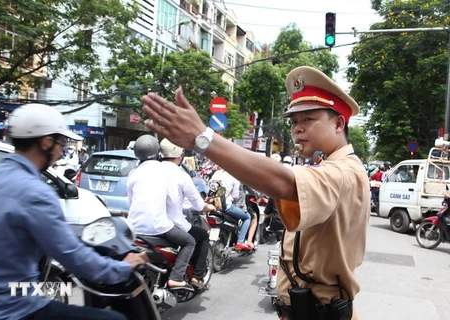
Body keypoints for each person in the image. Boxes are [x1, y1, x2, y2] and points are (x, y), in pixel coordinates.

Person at [140, 65, 369, 320]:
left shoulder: (344, 173)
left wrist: (204, 139)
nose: (297, 129)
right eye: (294, 121)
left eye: (308, 119)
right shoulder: (332, 167)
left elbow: (282, 182)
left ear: (338, 123)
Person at [0, 103, 148, 320]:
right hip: (11, 309)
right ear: (46, 142)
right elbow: (74, 257)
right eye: (61, 143)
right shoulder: (36, 193)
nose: (62, 150)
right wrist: (122, 267)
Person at [126, 135, 195, 291]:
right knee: (189, 242)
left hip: (134, 228)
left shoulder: (133, 173)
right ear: (157, 152)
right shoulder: (164, 171)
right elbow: (173, 200)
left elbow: (131, 201)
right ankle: (176, 278)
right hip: (158, 226)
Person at [159, 139, 215, 289]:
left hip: (143, 223)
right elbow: (197, 204)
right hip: (170, 225)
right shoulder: (181, 175)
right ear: (180, 156)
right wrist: (208, 207)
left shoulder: (151, 171)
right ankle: (197, 277)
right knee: (201, 235)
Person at [212, 167, 257, 250]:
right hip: (227, 206)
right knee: (248, 217)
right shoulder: (235, 177)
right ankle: (240, 241)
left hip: (214, 205)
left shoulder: (216, 173)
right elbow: (235, 196)